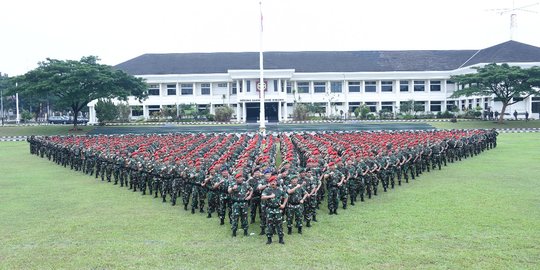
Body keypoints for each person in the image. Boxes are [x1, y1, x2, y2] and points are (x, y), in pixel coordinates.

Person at [261, 176, 288, 244]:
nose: (273, 183)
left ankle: (281, 239)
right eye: (271, 182)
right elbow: (262, 197)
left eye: (274, 182)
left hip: (277, 209)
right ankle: (269, 239)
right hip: (270, 209)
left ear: (276, 182)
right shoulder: (267, 190)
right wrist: (270, 196)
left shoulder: (280, 190)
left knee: (279, 224)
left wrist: (283, 204)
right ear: (269, 183)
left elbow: (286, 196)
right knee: (269, 224)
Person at [228, 172, 252, 237]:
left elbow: (251, 189)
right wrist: (233, 188)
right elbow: (229, 191)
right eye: (238, 178)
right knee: (235, 217)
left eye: (241, 177)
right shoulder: (233, 184)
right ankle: (234, 232)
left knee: (244, 217)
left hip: (244, 203)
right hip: (236, 203)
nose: (240, 179)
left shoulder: (245, 184)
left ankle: (245, 231)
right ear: (236, 179)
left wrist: (249, 196)